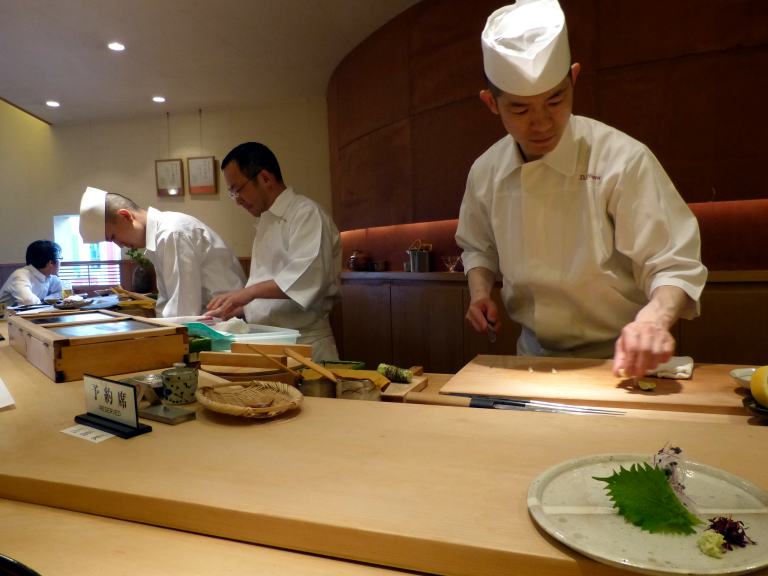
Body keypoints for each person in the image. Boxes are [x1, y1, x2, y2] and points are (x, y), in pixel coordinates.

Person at [456, 0, 707, 379]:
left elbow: (674, 263)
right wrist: (480, 293)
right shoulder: (485, 171)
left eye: (555, 100)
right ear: (491, 103)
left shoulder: (622, 159)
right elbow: (478, 246)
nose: (541, 123)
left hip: (622, 358)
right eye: (520, 109)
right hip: (532, 359)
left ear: (574, 78)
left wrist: (655, 318)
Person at [205, 142, 342, 362]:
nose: (237, 200)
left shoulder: (306, 213)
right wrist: (240, 309)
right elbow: (270, 290)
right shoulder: (266, 220)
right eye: (232, 194)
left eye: (238, 190)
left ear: (265, 178)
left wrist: (248, 293)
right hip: (270, 341)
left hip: (305, 344)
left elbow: (307, 277)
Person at [78, 187, 246, 318]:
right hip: (214, 322)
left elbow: (183, 310)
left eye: (114, 237)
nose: (119, 245)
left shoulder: (172, 233)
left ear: (125, 216)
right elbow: (168, 302)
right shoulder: (161, 236)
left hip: (230, 324)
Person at [0, 240, 63, 306]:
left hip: (26, 315)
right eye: (60, 258)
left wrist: (50, 300)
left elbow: (62, 292)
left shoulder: (49, 276)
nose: (61, 263)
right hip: (6, 315)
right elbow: (28, 301)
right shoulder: (20, 275)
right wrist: (48, 302)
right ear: (51, 263)